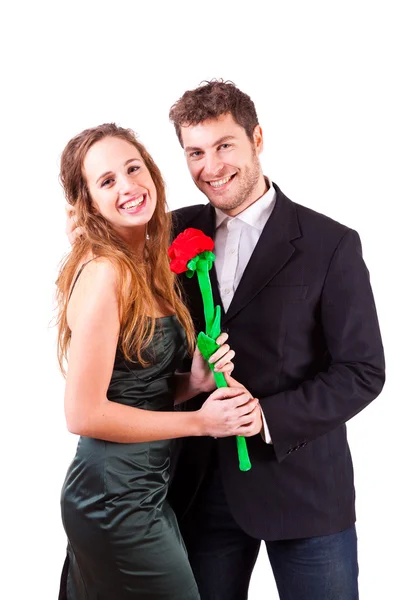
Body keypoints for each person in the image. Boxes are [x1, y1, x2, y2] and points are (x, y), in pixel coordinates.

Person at [66, 82, 385, 600]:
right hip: (196, 490)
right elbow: (134, 356)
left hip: (304, 489)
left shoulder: (332, 244)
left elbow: (362, 372)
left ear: (257, 138)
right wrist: (189, 389)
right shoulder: (164, 233)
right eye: (195, 152)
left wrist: (266, 418)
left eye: (224, 146)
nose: (210, 166)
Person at [57, 122, 262, 600]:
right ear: (87, 201)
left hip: (146, 491)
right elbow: (82, 414)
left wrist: (190, 384)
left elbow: (131, 389)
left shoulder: (145, 265)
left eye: (133, 168)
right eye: (107, 181)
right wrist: (202, 423)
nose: (129, 185)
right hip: (113, 498)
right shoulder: (106, 273)